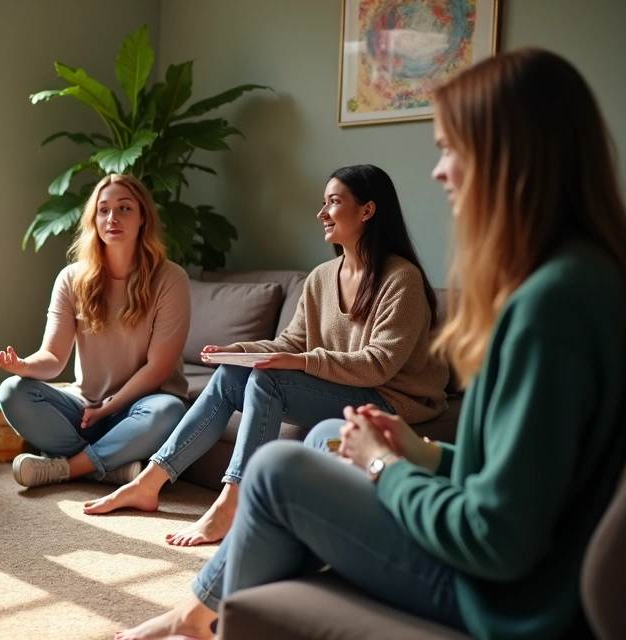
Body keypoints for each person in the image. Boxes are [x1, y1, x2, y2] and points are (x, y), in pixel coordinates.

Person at [118, 48, 626, 640]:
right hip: (517, 567)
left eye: (448, 149)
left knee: (280, 468)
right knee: (322, 438)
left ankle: (197, 614)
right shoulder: (583, 280)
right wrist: (426, 455)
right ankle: (197, 594)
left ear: (511, 156)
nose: (438, 172)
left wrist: (385, 465)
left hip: (505, 600)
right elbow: (518, 478)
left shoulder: (546, 308)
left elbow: (496, 537)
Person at [85, 165, 449, 547]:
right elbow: (291, 342)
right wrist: (238, 352)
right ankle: (149, 482)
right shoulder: (322, 277)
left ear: (367, 211)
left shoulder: (401, 279)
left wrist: (304, 362)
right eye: (322, 203)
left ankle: (232, 502)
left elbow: (379, 364)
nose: (322, 213)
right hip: (339, 389)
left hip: (389, 399)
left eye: (334, 203)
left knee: (269, 380)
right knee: (230, 375)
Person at [0, 174, 190, 488]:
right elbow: (53, 356)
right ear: (93, 219)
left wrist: (109, 407)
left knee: (170, 411)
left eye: (124, 208)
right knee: (13, 391)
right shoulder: (71, 278)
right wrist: (24, 366)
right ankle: (110, 467)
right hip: (85, 408)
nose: (112, 218)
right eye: (103, 210)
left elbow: (158, 368)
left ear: (142, 218)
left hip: (141, 406)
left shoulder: (170, 279)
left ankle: (66, 468)